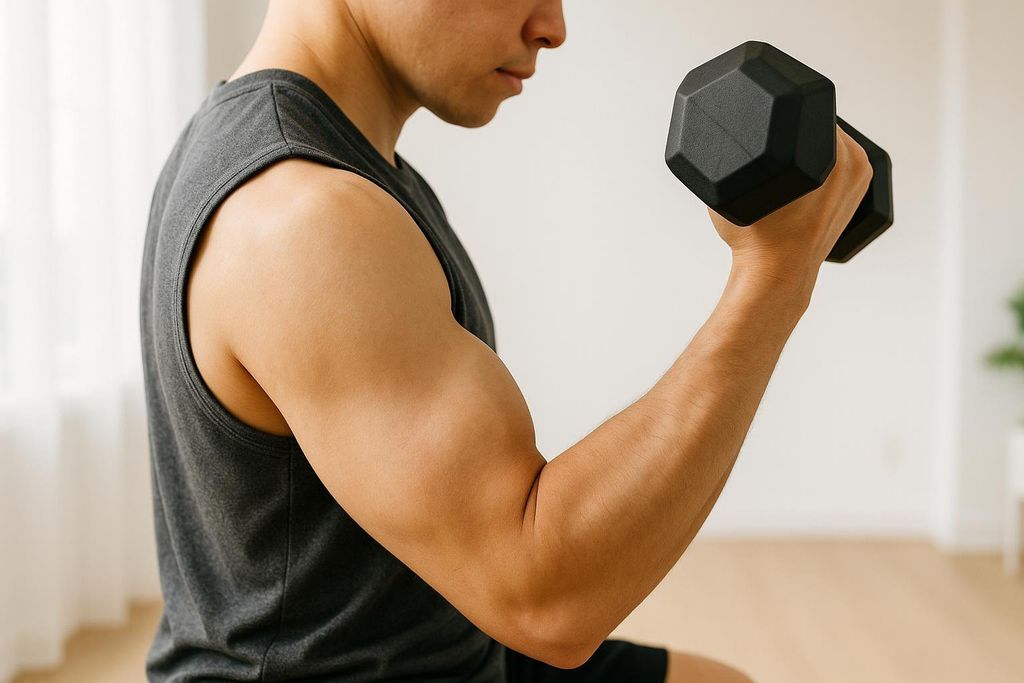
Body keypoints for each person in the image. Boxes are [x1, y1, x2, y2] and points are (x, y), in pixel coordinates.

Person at [138, 1, 873, 681]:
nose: (551, 26)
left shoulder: (326, 159)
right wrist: (772, 278)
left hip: (434, 641)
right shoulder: (301, 218)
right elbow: (547, 600)